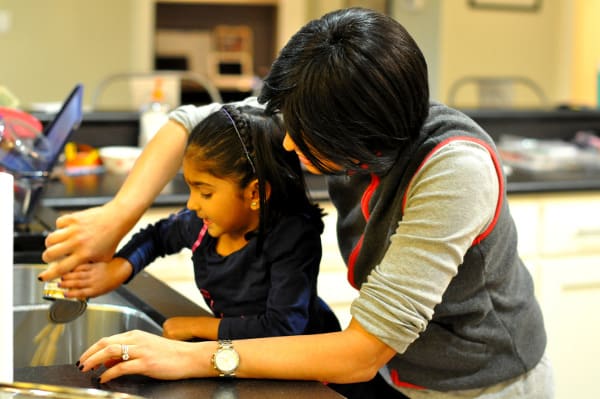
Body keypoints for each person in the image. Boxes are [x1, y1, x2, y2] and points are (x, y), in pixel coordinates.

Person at [45, 7, 554, 399]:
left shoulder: (454, 172)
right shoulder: (329, 109)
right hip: (401, 372)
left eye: (302, 135)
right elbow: (188, 123)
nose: (286, 143)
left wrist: (193, 357)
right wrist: (117, 217)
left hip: (483, 383)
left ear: (360, 144)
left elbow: (359, 351)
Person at [58, 104, 340, 341]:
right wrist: (118, 269)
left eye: (205, 192)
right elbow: (157, 237)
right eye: (191, 189)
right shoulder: (201, 225)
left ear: (255, 192)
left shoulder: (292, 237)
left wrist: (197, 326)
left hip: (315, 379)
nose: (192, 204)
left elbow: (283, 329)